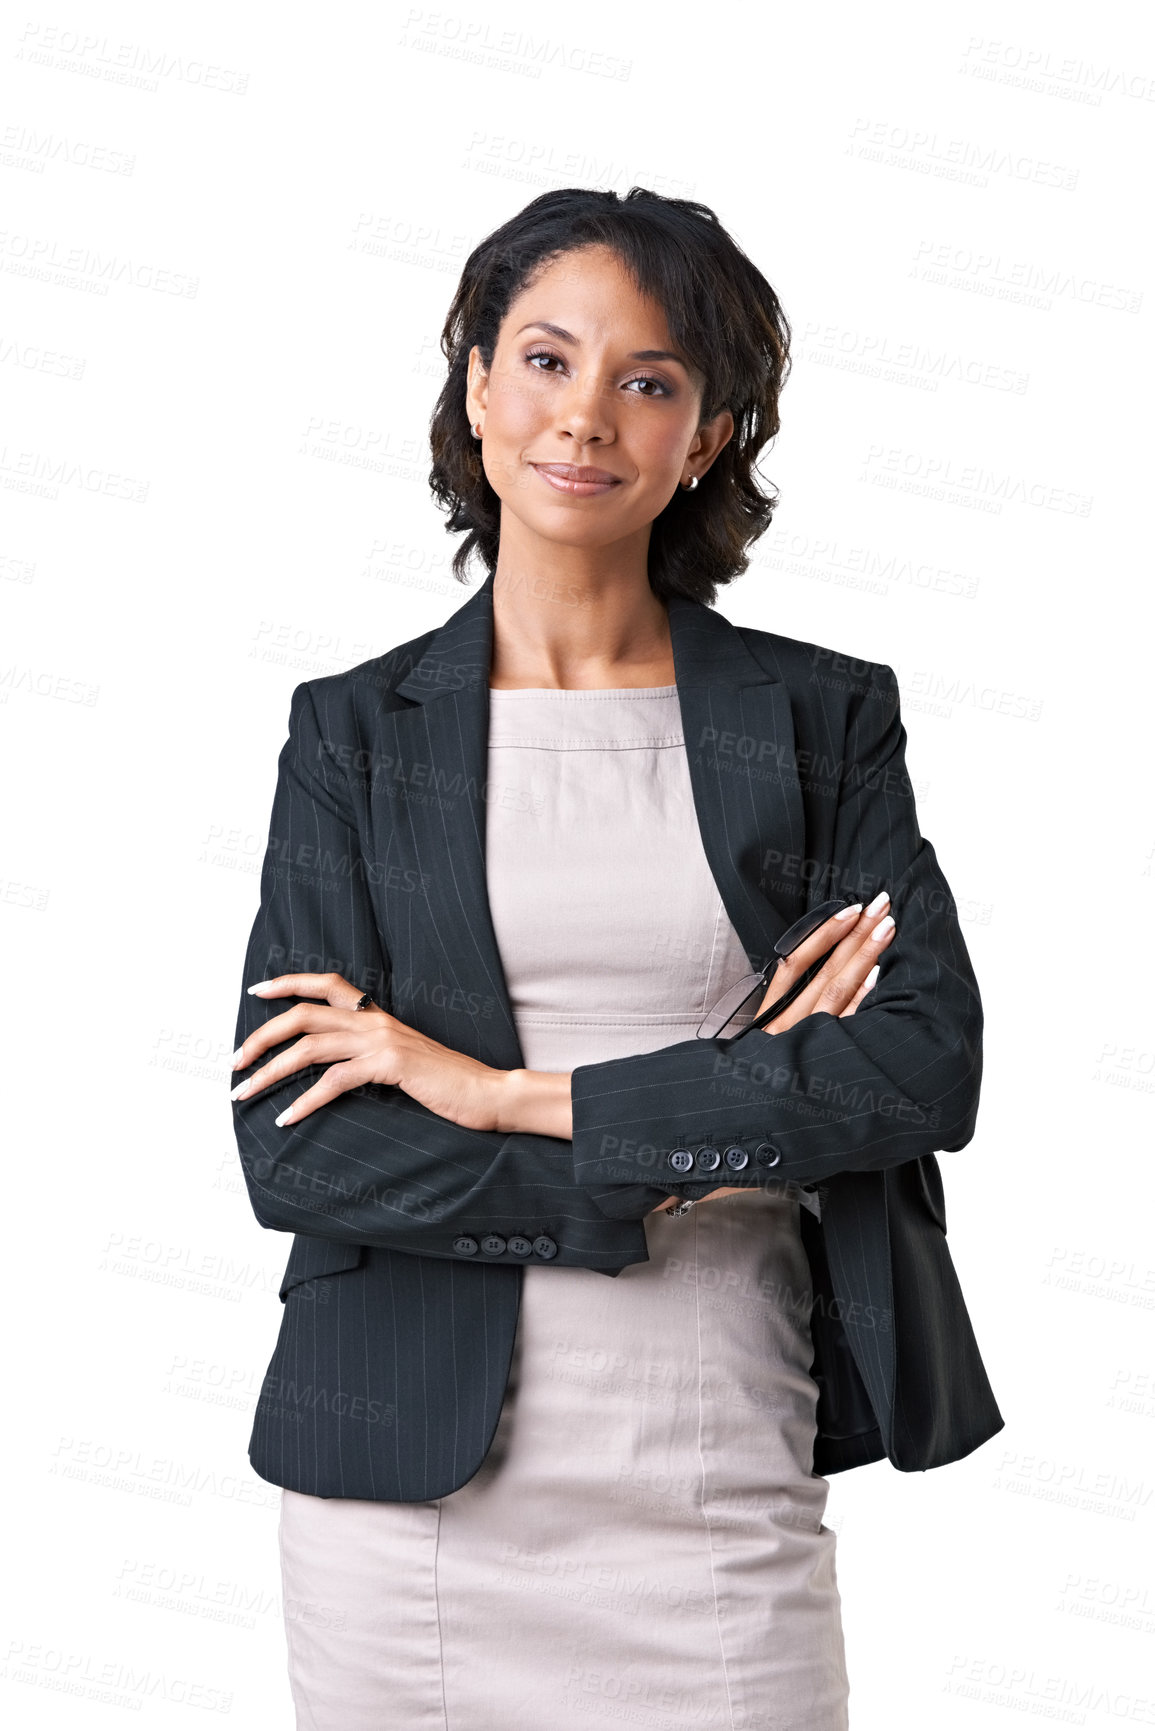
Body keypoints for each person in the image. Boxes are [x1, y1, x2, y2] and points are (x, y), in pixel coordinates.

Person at [229, 186, 1002, 1730]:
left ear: (706, 435)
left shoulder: (820, 719)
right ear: (476, 383)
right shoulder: (354, 734)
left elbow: (920, 1064)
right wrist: (692, 1143)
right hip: (410, 1505)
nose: (587, 419)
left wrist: (506, 1096)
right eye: (546, 360)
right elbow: (299, 1153)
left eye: (648, 381)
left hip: (715, 1447)